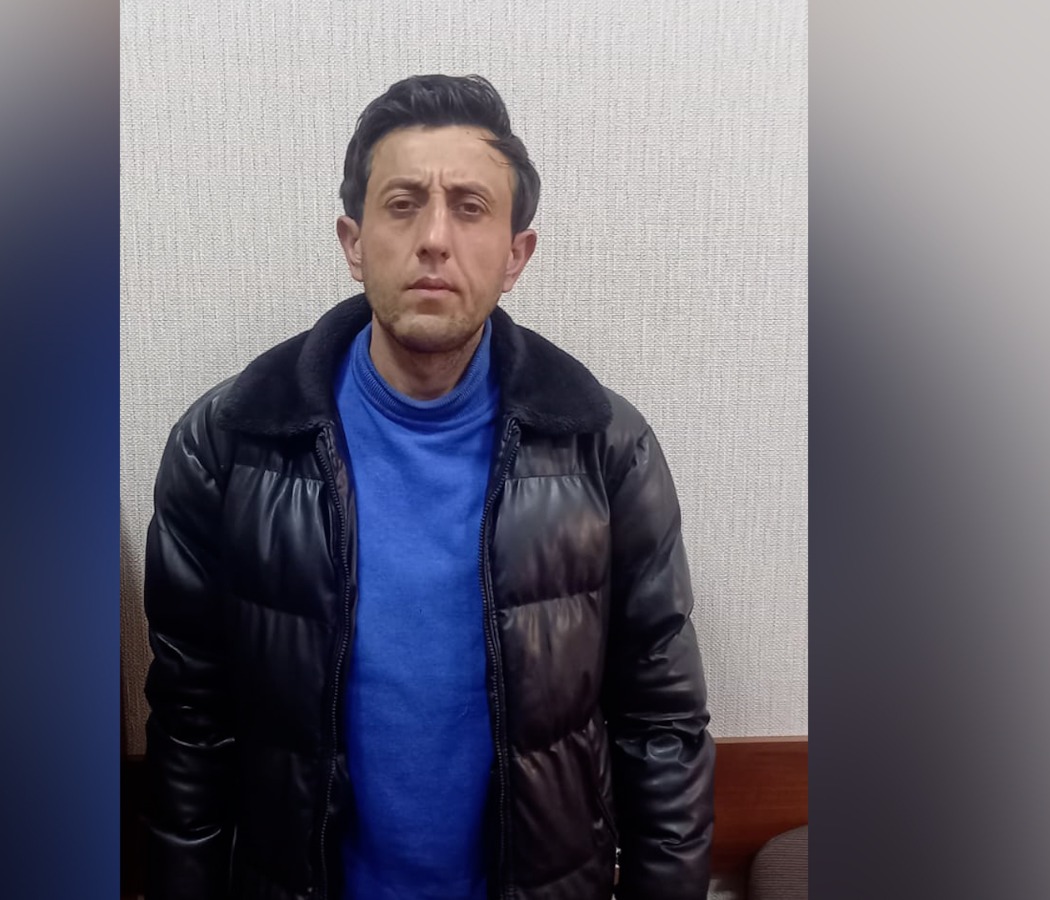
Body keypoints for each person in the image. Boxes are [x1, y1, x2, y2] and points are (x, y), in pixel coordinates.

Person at [143, 73, 714, 900]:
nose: (435, 238)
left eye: (470, 207)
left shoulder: (605, 449)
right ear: (353, 241)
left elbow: (661, 724)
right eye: (403, 204)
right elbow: (191, 728)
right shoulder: (226, 448)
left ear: (516, 255)